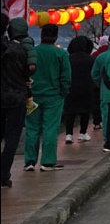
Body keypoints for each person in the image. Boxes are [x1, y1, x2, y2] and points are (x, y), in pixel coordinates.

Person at [22, 23, 71, 171]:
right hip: (53, 96)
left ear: (41, 35)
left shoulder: (33, 52)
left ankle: (30, 161)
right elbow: (66, 77)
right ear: (55, 37)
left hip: (33, 95)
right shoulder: (61, 54)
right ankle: (48, 161)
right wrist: (63, 92)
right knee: (50, 128)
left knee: (32, 128)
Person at [1, 14, 32, 187]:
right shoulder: (18, 50)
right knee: (12, 136)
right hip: (15, 97)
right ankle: (3, 174)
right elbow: (27, 73)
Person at [62, 35, 95, 144]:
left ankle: (69, 134)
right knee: (84, 111)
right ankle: (82, 133)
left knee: (70, 111)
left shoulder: (68, 59)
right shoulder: (90, 59)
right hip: (86, 87)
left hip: (71, 88)